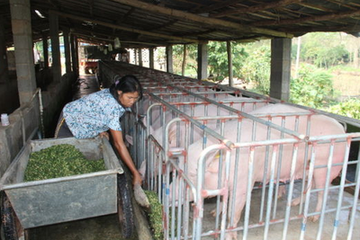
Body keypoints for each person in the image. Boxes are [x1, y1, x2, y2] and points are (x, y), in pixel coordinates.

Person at [55, 75, 143, 186]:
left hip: (83, 122)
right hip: (69, 119)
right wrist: (135, 173)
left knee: (75, 158)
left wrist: (100, 128)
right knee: (61, 156)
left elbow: (97, 111)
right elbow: (119, 144)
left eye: (135, 98)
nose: (132, 102)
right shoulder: (112, 107)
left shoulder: (113, 93)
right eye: (129, 97)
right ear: (120, 92)